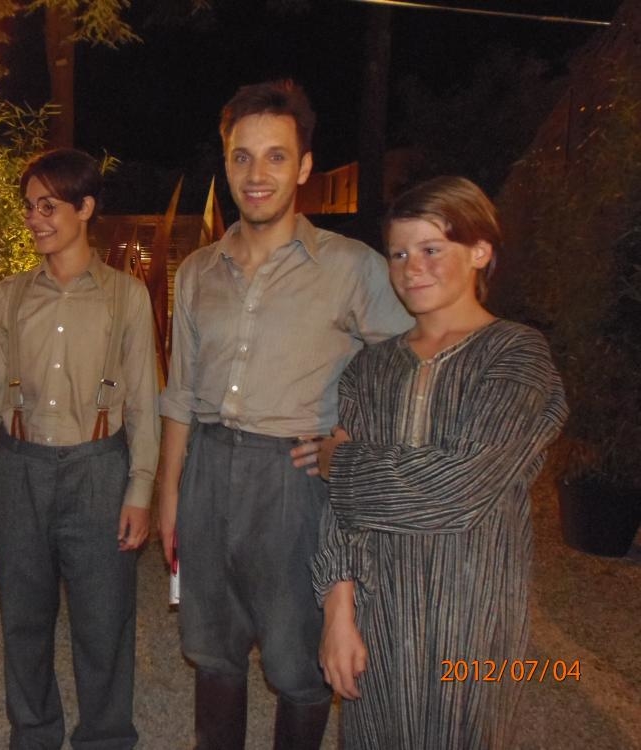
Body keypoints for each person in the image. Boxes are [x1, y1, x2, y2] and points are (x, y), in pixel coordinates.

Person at [158, 79, 413, 750]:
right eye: (242, 156)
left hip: (295, 482)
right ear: (226, 162)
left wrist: (351, 439)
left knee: (299, 662)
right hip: (207, 471)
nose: (257, 174)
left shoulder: (352, 268)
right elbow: (179, 391)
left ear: (303, 167)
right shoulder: (198, 271)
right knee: (212, 651)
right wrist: (168, 495)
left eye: (276, 156)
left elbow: (413, 359)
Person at [302, 176, 568, 748]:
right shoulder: (371, 367)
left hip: (474, 617)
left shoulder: (517, 356)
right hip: (376, 609)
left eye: (431, 249)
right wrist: (337, 613)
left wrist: (342, 463)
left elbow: (459, 488)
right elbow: (339, 513)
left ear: (480, 251)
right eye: (398, 253)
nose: (411, 268)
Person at [0, 148, 160, 750]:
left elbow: (144, 401)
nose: (35, 218)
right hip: (19, 469)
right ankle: (33, 734)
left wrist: (140, 489)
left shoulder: (127, 296)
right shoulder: (11, 295)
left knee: (104, 622)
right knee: (23, 620)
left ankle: (105, 737)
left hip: (98, 469)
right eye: (30, 207)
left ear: (85, 207)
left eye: (48, 206)